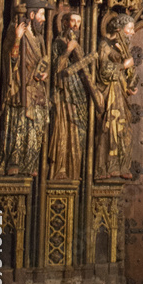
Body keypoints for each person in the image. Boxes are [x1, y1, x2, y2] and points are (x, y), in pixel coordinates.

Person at [0, 0, 50, 176]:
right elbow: (9, 60)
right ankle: (15, 162)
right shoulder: (16, 31)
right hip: (20, 90)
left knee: (35, 131)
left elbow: (43, 62)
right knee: (19, 128)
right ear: (31, 15)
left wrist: (44, 74)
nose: (43, 19)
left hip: (37, 92)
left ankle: (30, 164)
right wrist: (17, 39)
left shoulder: (39, 39)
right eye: (41, 15)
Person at [49, 12, 99, 180]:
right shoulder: (58, 43)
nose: (76, 25)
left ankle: (75, 171)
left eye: (79, 22)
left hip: (79, 94)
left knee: (80, 133)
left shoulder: (78, 46)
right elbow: (55, 70)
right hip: (65, 94)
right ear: (64, 23)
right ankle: (62, 169)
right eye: (72, 21)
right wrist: (66, 52)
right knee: (65, 129)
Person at [95, 14, 138, 179]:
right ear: (119, 30)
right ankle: (108, 167)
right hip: (110, 94)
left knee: (124, 128)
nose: (132, 33)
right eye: (130, 29)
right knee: (111, 128)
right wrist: (123, 65)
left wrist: (130, 85)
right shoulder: (104, 45)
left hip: (120, 92)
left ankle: (122, 165)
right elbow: (103, 72)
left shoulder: (123, 47)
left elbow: (130, 73)